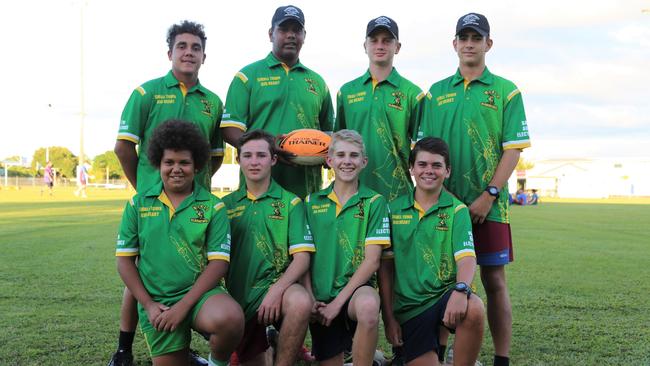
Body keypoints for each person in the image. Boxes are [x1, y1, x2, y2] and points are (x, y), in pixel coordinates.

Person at [418, 13, 531, 366]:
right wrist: (438, 198)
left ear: (488, 44)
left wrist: (490, 195)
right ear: (454, 44)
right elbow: (426, 149)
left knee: (494, 281)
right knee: (441, 283)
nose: (469, 43)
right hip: (444, 207)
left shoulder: (505, 91)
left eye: (476, 37)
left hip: (490, 206)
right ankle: (438, 353)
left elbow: (513, 148)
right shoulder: (435, 93)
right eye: (463, 37)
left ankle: (501, 359)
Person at [111, 20, 225, 366]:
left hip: (195, 205)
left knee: (193, 268)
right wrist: (144, 189)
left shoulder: (213, 102)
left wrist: (193, 186)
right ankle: (123, 348)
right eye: (182, 46)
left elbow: (215, 156)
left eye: (195, 48)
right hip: (151, 201)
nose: (189, 52)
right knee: (143, 271)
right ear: (170, 53)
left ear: (204, 56)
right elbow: (122, 148)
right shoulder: (145, 93)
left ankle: (190, 337)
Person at [115, 119, 243, 366]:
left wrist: (184, 307)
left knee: (231, 318)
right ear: (158, 164)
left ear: (196, 166)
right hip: (158, 304)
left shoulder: (212, 206)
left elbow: (218, 265)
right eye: (169, 162)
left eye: (184, 162)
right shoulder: (137, 204)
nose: (176, 169)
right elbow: (125, 263)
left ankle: (216, 364)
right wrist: (150, 305)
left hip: (199, 297)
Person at [379, 137, 484, 366]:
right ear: (412, 169)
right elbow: (385, 269)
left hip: (445, 296)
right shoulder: (392, 210)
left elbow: (466, 258)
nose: (429, 171)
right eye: (422, 164)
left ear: (447, 171)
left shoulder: (457, 210)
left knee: (474, 307)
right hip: (410, 308)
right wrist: (389, 319)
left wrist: (461, 289)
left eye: (436, 165)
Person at [221, 5, 334, 199]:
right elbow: (229, 129)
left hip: (308, 192)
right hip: (256, 193)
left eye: (296, 30)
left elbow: (329, 132)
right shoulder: (247, 76)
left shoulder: (318, 82)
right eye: (283, 29)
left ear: (304, 35)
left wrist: (327, 152)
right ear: (270, 34)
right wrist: (268, 146)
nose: (291, 35)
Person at [222, 130, 314, 366]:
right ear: (238, 159)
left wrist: (276, 290)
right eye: (248, 155)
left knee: (300, 301)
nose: (254, 162)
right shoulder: (224, 206)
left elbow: (302, 258)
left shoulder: (291, 203)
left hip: (279, 293)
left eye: (261, 155)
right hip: (240, 301)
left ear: (273, 159)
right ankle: (266, 344)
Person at [305, 130, 391, 366]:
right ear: (329, 160)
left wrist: (337, 304)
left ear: (363, 162)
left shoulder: (375, 202)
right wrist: (311, 297)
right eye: (340, 155)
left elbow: (373, 261)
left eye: (354, 156)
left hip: (354, 293)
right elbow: (303, 259)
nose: (347, 161)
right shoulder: (311, 203)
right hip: (321, 299)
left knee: (368, 306)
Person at [335, 16, 424, 202]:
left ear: (397, 47)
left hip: (398, 196)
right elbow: (337, 143)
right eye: (374, 40)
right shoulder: (346, 92)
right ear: (365, 46)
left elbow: (423, 150)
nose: (380, 45)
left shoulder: (413, 94)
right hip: (352, 195)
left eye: (387, 40)